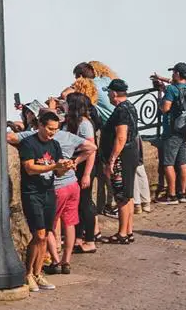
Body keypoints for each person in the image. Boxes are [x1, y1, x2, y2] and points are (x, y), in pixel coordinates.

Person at [11, 108, 95, 274]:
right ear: (41, 125)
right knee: (48, 231)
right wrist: (59, 165)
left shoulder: (52, 143)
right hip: (50, 189)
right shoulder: (32, 142)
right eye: (50, 129)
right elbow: (30, 168)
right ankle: (48, 267)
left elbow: (57, 172)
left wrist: (67, 165)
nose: (53, 132)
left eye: (55, 129)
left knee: (50, 230)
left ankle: (49, 265)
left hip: (54, 189)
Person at [152, 63, 186, 203]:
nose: (172, 74)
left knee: (168, 163)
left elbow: (165, 108)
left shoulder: (172, 89)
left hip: (172, 131)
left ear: (178, 74)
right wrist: (163, 86)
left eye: (174, 72)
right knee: (182, 162)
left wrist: (161, 99)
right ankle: (182, 194)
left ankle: (171, 195)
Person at [100, 79, 140, 244]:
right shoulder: (130, 106)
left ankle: (122, 233)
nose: (108, 95)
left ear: (114, 93)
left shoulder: (121, 111)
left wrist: (112, 159)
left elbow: (121, 137)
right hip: (131, 154)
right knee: (128, 194)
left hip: (122, 158)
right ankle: (128, 231)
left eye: (109, 92)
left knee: (121, 195)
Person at [61, 93, 101, 253]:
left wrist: (86, 174)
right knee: (76, 204)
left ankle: (90, 240)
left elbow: (91, 150)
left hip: (83, 166)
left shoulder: (85, 124)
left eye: (66, 102)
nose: (64, 105)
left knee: (85, 202)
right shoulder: (70, 121)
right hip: (75, 165)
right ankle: (78, 238)